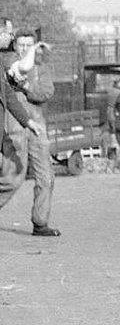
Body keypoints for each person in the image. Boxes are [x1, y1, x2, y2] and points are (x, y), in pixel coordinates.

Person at [0, 29, 59, 236]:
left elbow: (46, 92)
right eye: (21, 45)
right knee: (12, 176)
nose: (24, 49)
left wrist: (26, 87)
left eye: (29, 45)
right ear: (15, 45)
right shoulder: (7, 63)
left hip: (37, 127)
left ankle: (40, 222)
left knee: (46, 176)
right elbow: (10, 84)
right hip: (13, 127)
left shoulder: (41, 68)